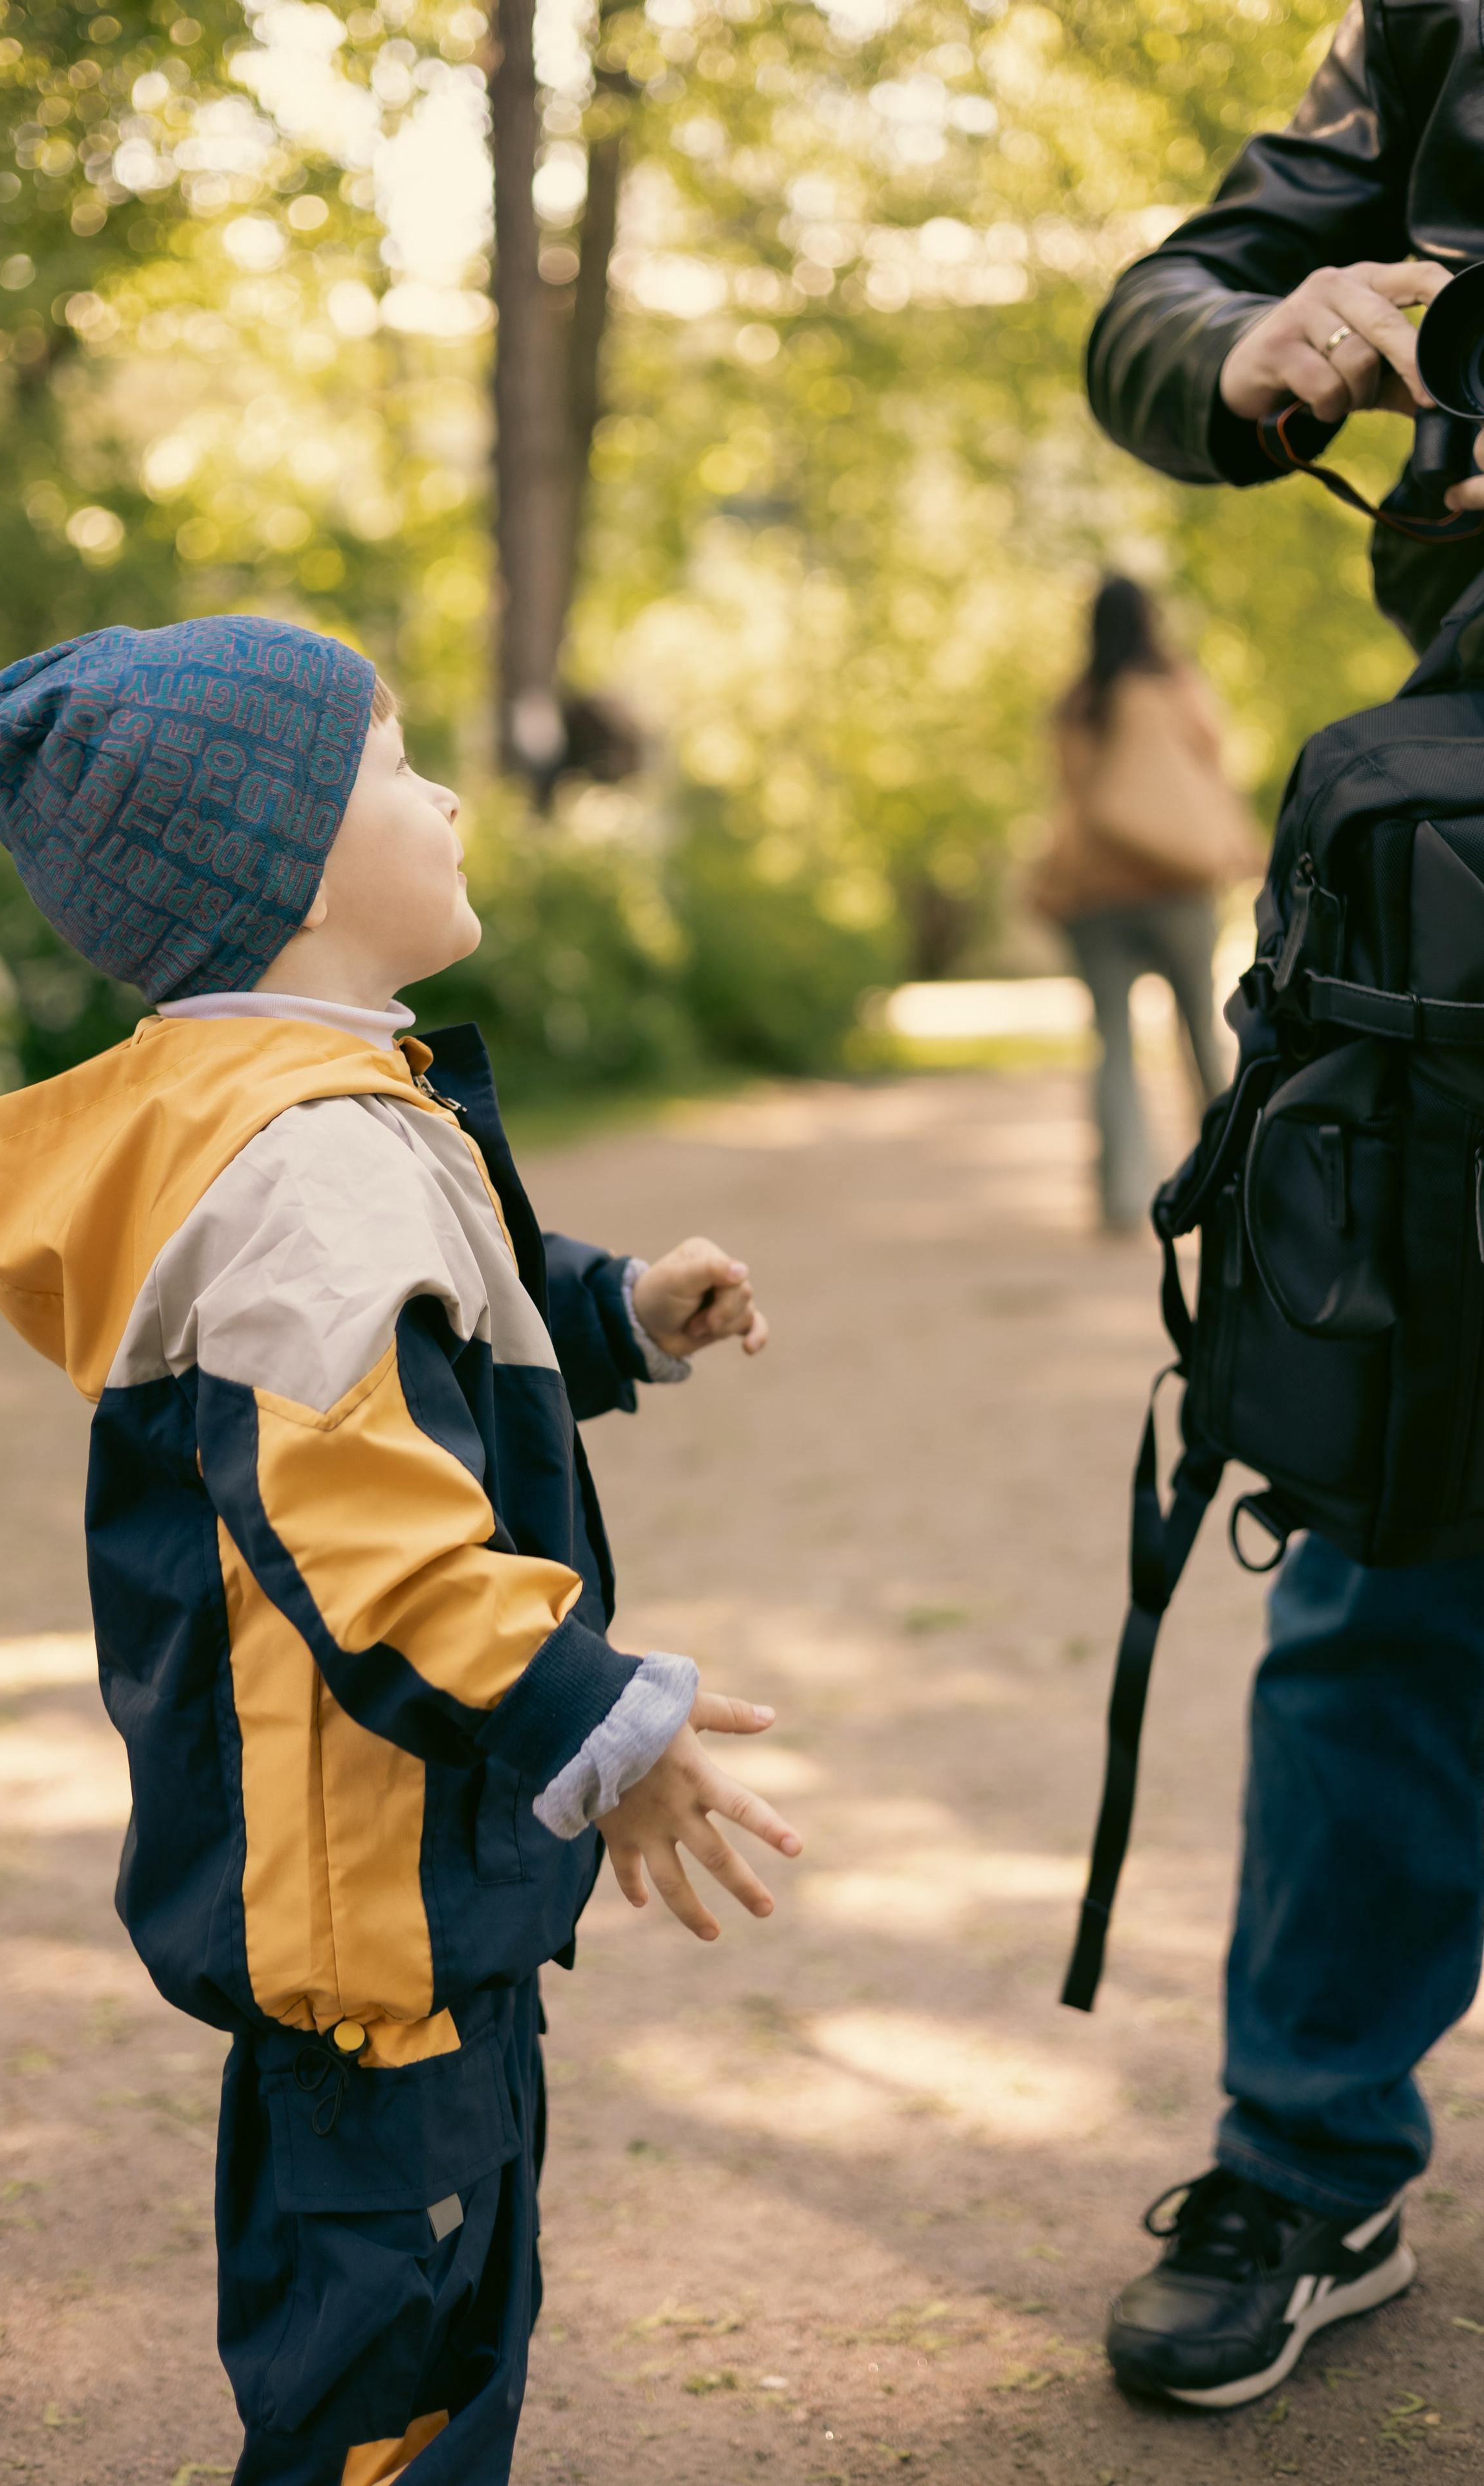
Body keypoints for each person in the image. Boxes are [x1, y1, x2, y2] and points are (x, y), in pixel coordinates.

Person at [0, 616, 802, 2486]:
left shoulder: (310, 1109)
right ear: (288, 862)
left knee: (429, 2318)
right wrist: (605, 1724)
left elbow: (422, 1334)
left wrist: (612, 1307)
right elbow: (368, 1533)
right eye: (396, 766)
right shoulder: (302, 1164)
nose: (448, 793)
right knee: (392, 2376)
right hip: (373, 1894)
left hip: (403, 1868)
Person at [1082, 0, 1484, 2411]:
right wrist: (1257, 346)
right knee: (1388, 1512)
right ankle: (1308, 2155)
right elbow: (1160, 303)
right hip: (1462, 850)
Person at [1034, 576, 1261, 1233]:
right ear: (1148, 620)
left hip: (1096, 894)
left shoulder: (1078, 704)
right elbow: (1213, 771)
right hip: (1177, 886)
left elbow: (1073, 797)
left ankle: (1120, 1201)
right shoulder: (1172, 686)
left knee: (1113, 1046)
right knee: (1202, 1036)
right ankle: (1232, 1179)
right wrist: (1241, 846)